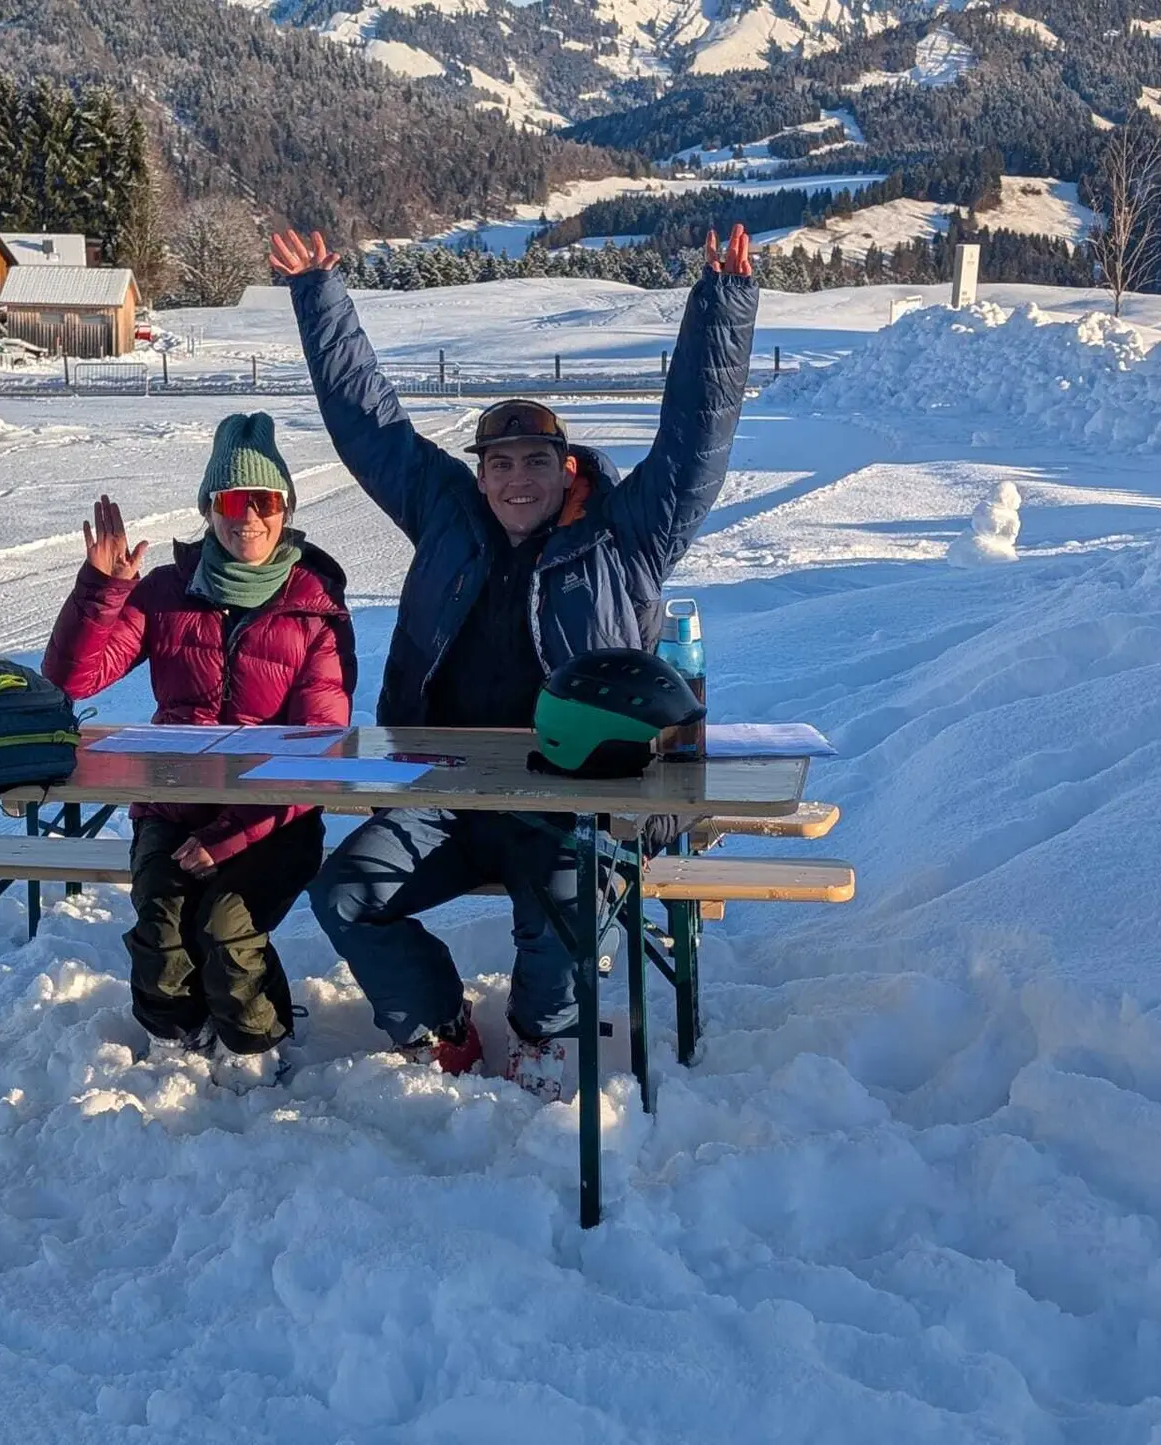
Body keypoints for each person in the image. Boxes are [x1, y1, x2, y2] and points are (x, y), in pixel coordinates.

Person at [268, 223, 758, 1100]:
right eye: (500, 464)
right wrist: (319, 295)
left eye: (537, 461)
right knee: (344, 892)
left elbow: (693, 446)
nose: (516, 480)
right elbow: (369, 423)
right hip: (448, 794)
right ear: (481, 474)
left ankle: (542, 1033)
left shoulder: (625, 537)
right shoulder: (448, 518)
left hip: (571, 801)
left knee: (569, 907)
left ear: (567, 469)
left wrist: (720, 305)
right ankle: (441, 1025)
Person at [42, 412, 356, 1092]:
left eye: (264, 501)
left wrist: (228, 836)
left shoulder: (314, 606)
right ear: (209, 510)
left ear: (286, 509)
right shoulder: (164, 593)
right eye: (231, 501)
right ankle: (176, 1034)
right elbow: (73, 680)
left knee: (223, 923)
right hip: (173, 807)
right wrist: (101, 592)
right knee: (161, 918)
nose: (248, 517)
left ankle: (254, 1040)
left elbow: (322, 749)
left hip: (275, 818)